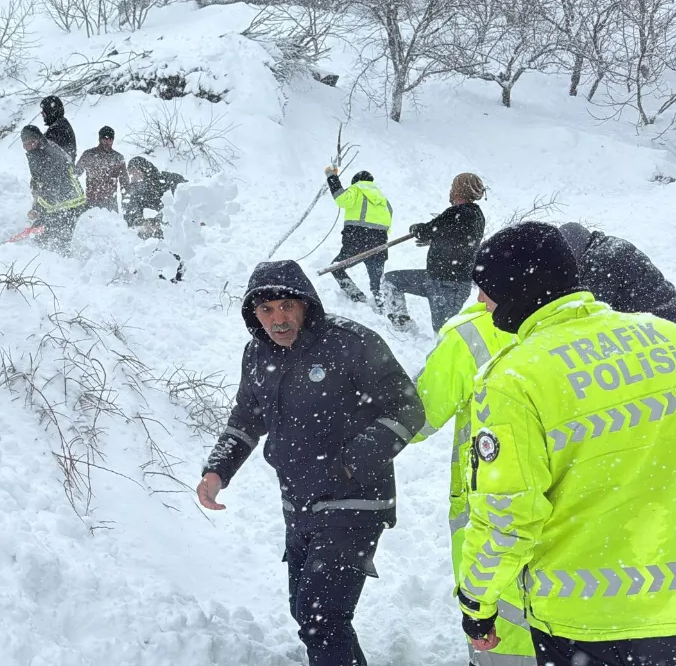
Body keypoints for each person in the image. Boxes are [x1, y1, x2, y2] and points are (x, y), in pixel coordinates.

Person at [461, 222, 676, 666]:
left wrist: (476, 604)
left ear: (517, 288)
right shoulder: (664, 337)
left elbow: (507, 516)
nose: (481, 301)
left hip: (588, 617)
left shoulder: (515, 381)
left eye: (486, 288)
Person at [197, 259, 424, 666]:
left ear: (305, 305)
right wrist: (217, 470)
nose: (278, 319)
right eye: (266, 310)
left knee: (324, 618)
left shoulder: (351, 343)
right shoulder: (256, 354)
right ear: (254, 315)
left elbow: (408, 408)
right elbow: (246, 418)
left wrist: (354, 460)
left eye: (286, 306)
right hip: (298, 505)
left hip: (355, 502)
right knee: (307, 613)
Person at [413, 295, 531, 666]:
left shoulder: (471, 336)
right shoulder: (596, 332)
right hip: (583, 518)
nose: (478, 296)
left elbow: (417, 416)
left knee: (503, 624)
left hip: (490, 506)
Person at [383, 172, 486, 332]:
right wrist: (437, 239)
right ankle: (403, 326)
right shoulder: (477, 215)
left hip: (446, 283)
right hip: (446, 280)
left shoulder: (456, 213)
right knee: (392, 280)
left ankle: (406, 329)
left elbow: (426, 230)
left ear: (459, 190)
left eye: (453, 187)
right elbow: (459, 239)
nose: (451, 191)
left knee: (443, 334)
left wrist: (416, 228)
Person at [558, 222, 676, 323]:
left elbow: (591, 308)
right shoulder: (611, 246)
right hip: (665, 309)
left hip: (657, 320)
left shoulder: (599, 261)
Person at [324, 169, 393, 306]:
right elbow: (389, 218)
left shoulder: (356, 188)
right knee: (377, 281)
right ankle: (381, 304)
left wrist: (332, 177)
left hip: (357, 239)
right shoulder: (383, 198)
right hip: (380, 242)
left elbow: (341, 199)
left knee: (336, 267)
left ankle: (357, 296)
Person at [21, 125, 87, 253]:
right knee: (44, 237)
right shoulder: (37, 153)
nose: (29, 147)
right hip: (58, 205)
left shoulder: (50, 154)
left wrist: (38, 208)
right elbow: (37, 181)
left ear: (39, 139)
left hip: (70, 205)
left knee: (60, 241)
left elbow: (49, 186)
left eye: (31, 142)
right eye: (26, 145)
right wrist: (37, 207)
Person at [121, 156, 186, 238]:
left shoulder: (165, 180)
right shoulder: (135, 191)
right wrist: (141, 222)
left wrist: (158, 220)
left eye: (135, 171)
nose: (133, 176)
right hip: (151, 235)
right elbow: (130, 214)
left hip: (173, 225)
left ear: (143, 169)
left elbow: (185, 191)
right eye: (130, 173)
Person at [74, 126, 126, 211]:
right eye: (105, 139)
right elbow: (76, 173)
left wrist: (126, 201)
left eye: (110, 139)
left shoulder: (118, 158)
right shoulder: (89, 154)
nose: (107, 142)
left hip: (110, 203)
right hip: (91, 202)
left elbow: (124, 182)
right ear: (100, 139)